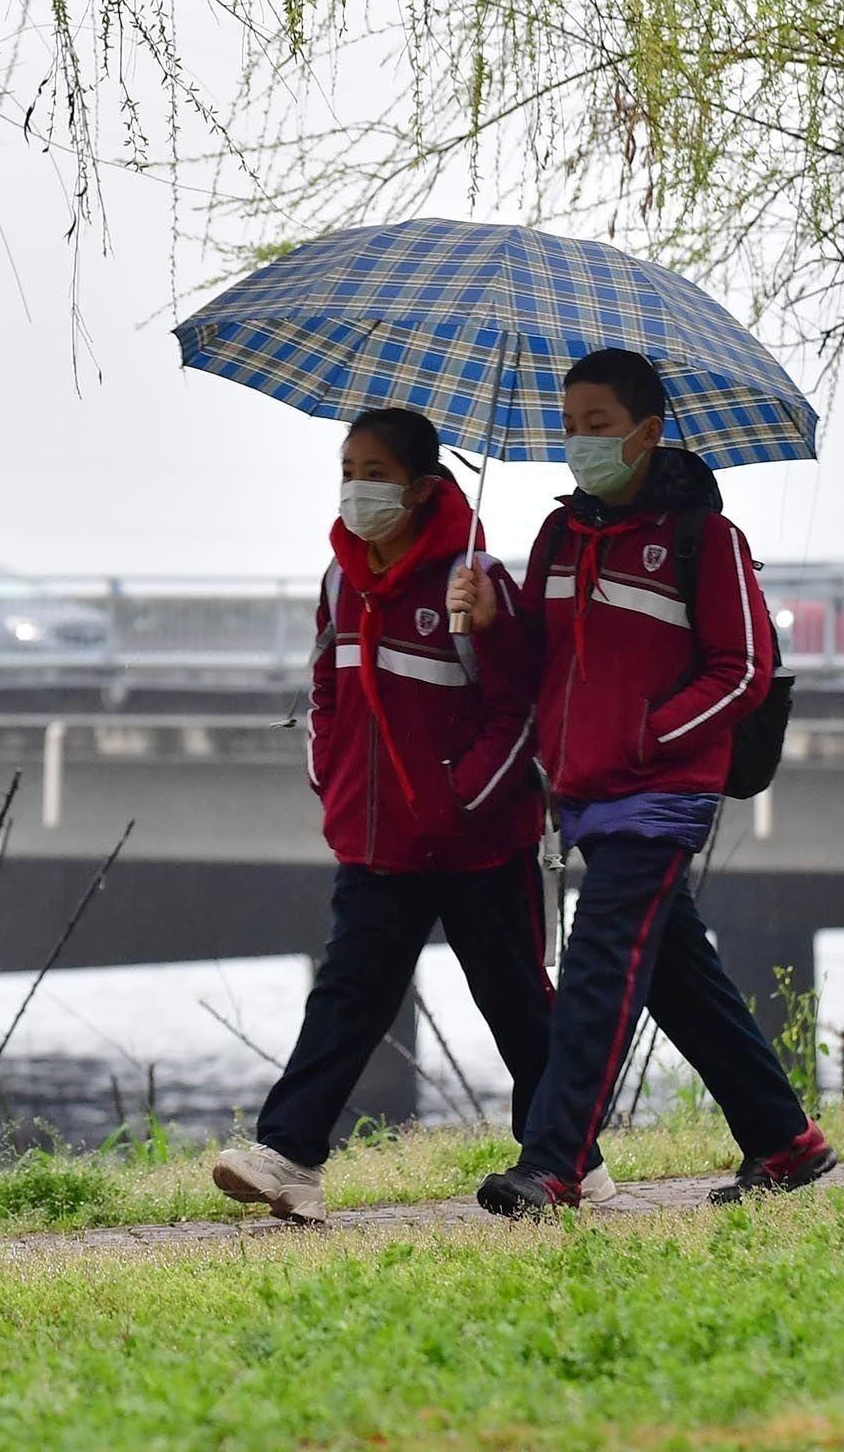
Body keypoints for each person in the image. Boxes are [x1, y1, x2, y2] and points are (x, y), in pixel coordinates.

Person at [449, 347, 835, 1214]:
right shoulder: (558, 536)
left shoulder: (706, 540)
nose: (580, 443)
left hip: (662, 797)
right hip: (588, 795)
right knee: (671, 974)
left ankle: (553, 1164)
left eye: (599, 426)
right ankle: (785, 1139)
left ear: (647, 433)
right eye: (569, 427)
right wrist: (489, 615)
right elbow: (536, 664)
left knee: (597, 964)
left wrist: (646, 734)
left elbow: (743, 670)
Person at [211, 406, 611, 1223]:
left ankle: (575, 1161)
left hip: (477, 846)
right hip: (377, 845)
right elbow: (326, 693)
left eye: (376, 475)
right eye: (348, 472)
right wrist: (333, 778)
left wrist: (462, 793)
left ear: (424, 488)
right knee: (348, 996)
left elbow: (521, 707)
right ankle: (290, 1158)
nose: (357, 489)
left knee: (516, 1004)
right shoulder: (339, 583)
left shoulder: (477, 581)